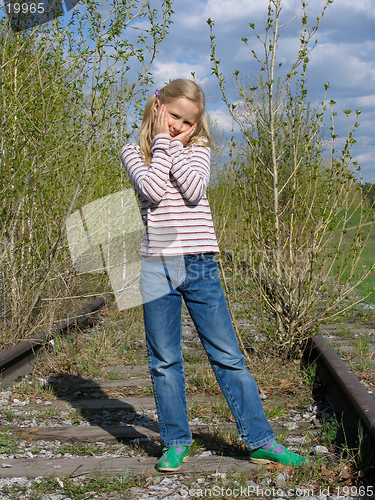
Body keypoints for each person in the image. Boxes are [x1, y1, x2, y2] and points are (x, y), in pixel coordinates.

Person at [120, 79, 307, 471]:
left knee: (227, 355)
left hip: (200, 263)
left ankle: (260, 439)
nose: (178, 127)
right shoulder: (133, 151)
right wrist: (160, 142)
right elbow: (153, 190)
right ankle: (175, 441)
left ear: (197, 125)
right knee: (164, 359)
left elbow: (192, 188)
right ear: (158, 107)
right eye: (173, 117)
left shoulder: (199, 149)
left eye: (188, 123)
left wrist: (168, 144)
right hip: (156, 266)